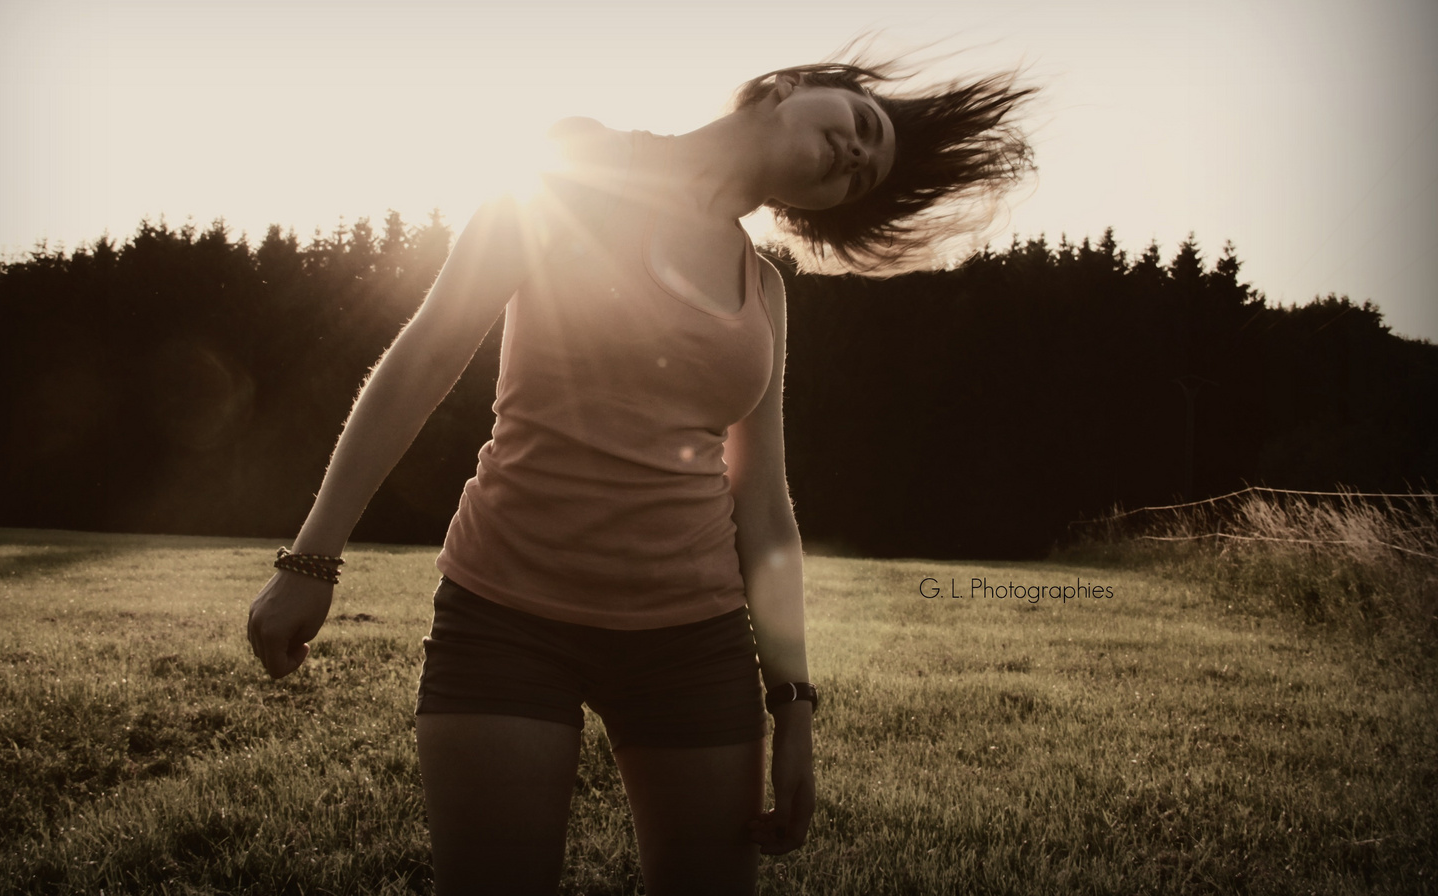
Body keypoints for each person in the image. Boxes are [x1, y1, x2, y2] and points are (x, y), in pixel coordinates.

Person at [247, 50, 1035, 894]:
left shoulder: (762, 290)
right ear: (786, 88)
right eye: (862, 127)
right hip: (507, 615)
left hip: (693, 645)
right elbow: (428, 351)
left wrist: (794, 704)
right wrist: (311, 558)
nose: (856, 159)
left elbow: (763, 503)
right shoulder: (577, 166)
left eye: (864, 178)